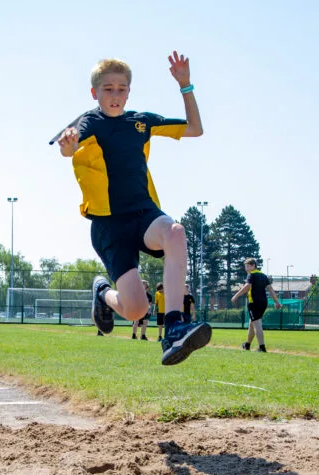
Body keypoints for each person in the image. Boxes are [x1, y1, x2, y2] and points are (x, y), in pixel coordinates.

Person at [51, 51, 211, 365]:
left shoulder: (141, 122)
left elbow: (195, 128)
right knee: (136, 309)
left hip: (143, 214)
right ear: (95, 93)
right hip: (109, 225)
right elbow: (69, 149)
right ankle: (102, 294)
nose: (115, 94)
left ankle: (175, 326)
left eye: (121, 88)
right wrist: (68, 145)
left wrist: (185, 85)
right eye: (107, 89)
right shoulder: (90, 121)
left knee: (176, 233)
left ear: (129, 92)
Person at [231, 257, 282, 353]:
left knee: (257, 324)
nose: (246, 268)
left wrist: (236, 296)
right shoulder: (263, 275)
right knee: (252, 324)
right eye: (245, 266)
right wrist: (276, 302)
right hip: (263, 302)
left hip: (254, 303)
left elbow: (247, 286)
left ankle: (262, 347)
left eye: (247, 266)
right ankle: (247, 345)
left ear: (253, 266)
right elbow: (270, 289)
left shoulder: (251, 275)